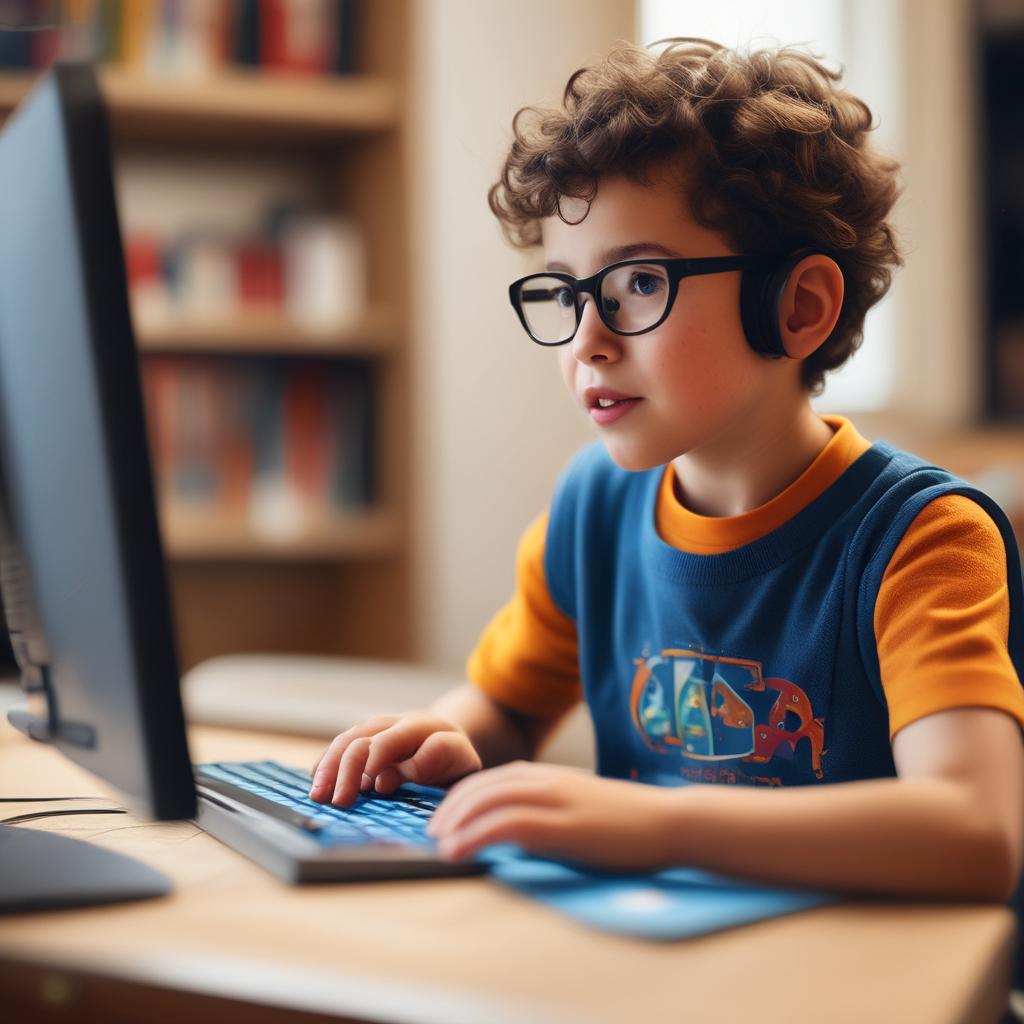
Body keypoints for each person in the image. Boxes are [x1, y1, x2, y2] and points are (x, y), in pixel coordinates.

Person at [310, 39, 1024, 908]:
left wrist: (660, 822)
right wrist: (445, 737)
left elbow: (977, 833)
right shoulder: (595, 508)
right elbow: (506, 707)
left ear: (798, 307)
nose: (586, 341)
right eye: (567, 291)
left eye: (639, 282)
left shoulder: (920, 539)